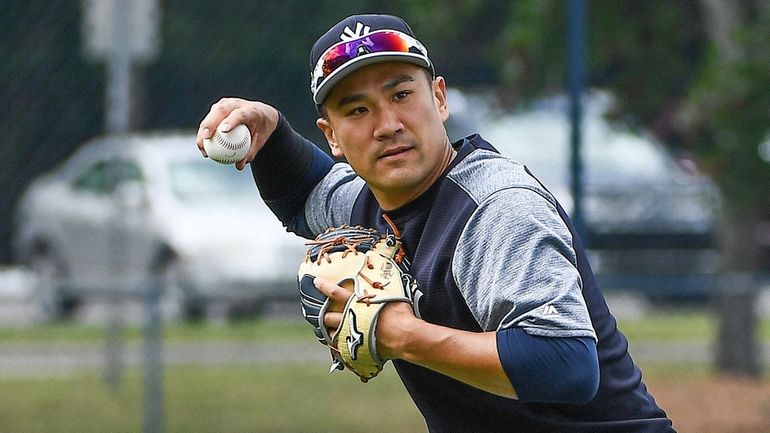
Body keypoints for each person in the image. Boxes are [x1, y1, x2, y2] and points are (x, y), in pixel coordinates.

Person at [196, 13, 675, 433]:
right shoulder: (371, 204)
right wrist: (271, 127)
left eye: (402, 94)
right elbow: (303, 194)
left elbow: (566, 365)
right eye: (357, 109)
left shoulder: (495, 207)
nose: (387, 124)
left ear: (440, 99)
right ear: (333, 136)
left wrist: (398, 334)